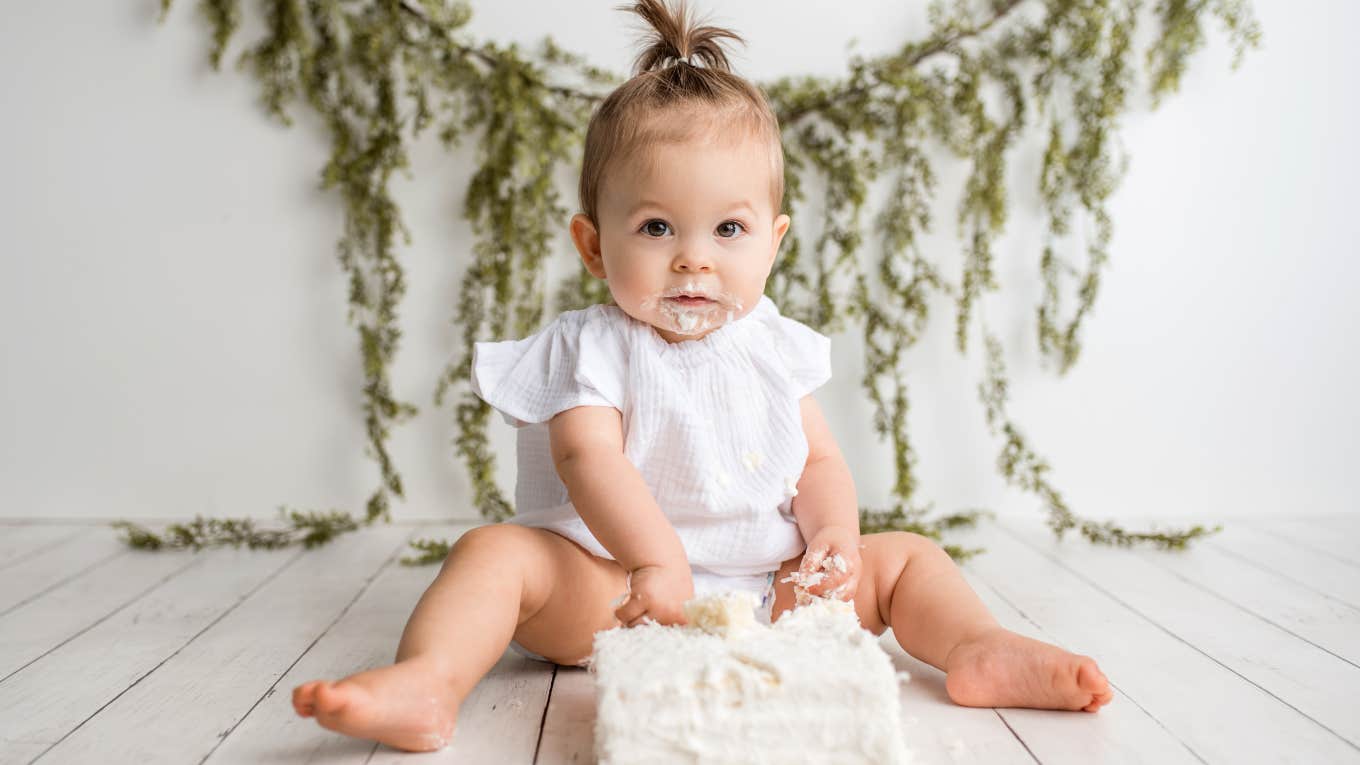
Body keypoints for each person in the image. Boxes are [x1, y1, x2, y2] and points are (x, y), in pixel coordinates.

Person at [292, 0, 1113, 752]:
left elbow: (817, 459)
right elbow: (589, 460)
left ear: (774, 241)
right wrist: (656, 564)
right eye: (655, 226)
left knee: (905, 560)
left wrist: (830, 534)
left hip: (767, 581)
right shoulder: (593, 344)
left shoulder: (775, 342)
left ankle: (978, 647)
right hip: (614, 587)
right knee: (495, 555)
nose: (694, 257)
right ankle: (430, 681)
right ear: (592, 244)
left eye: (728, 227)